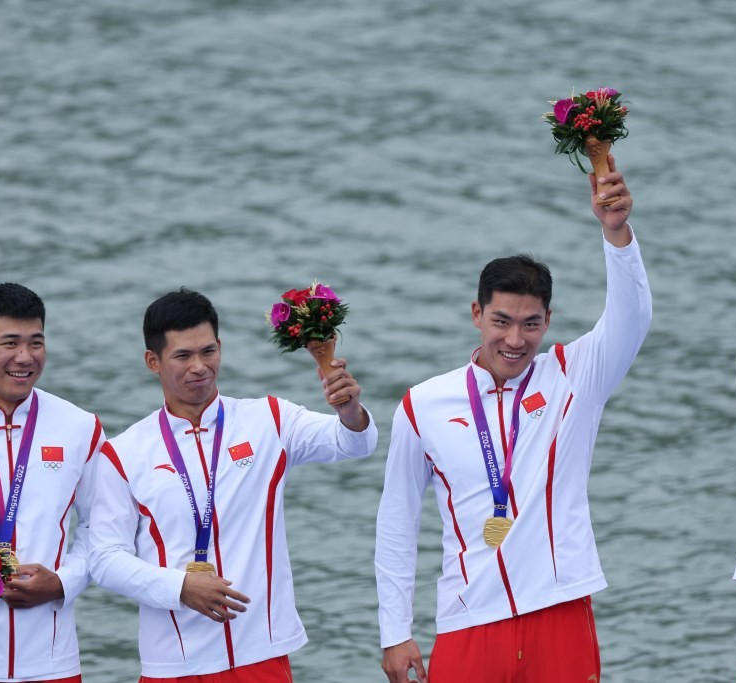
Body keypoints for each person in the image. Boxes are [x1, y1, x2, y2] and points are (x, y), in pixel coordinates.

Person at [375, 156, 652, 683]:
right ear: (476, 314)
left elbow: (633, 317)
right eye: (501, 321)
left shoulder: (575, 376)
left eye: (531, 324)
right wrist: (395, 629)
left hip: (560, 611)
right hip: (469, 619)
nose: (515, 340)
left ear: (548, 320)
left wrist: (616, 233)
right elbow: (397, 521)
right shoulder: (423, 404)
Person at [88, 288, 377, 681]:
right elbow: (105, 558)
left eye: (208, 351)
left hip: (262, 655)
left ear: (220, 347)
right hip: (175, 664)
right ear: (152, 361)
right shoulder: (123, 454)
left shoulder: (269, 420)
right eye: (183, 356)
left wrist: (350, 410)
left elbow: (354, 443)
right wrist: (180, 587)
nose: (199, 367)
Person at [0, 283, 104, 683]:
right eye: (10, 342)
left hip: (52, 661)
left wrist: (63, 582)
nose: (25, 357)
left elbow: (106, 530)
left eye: (36, 342)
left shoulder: (81, 428)